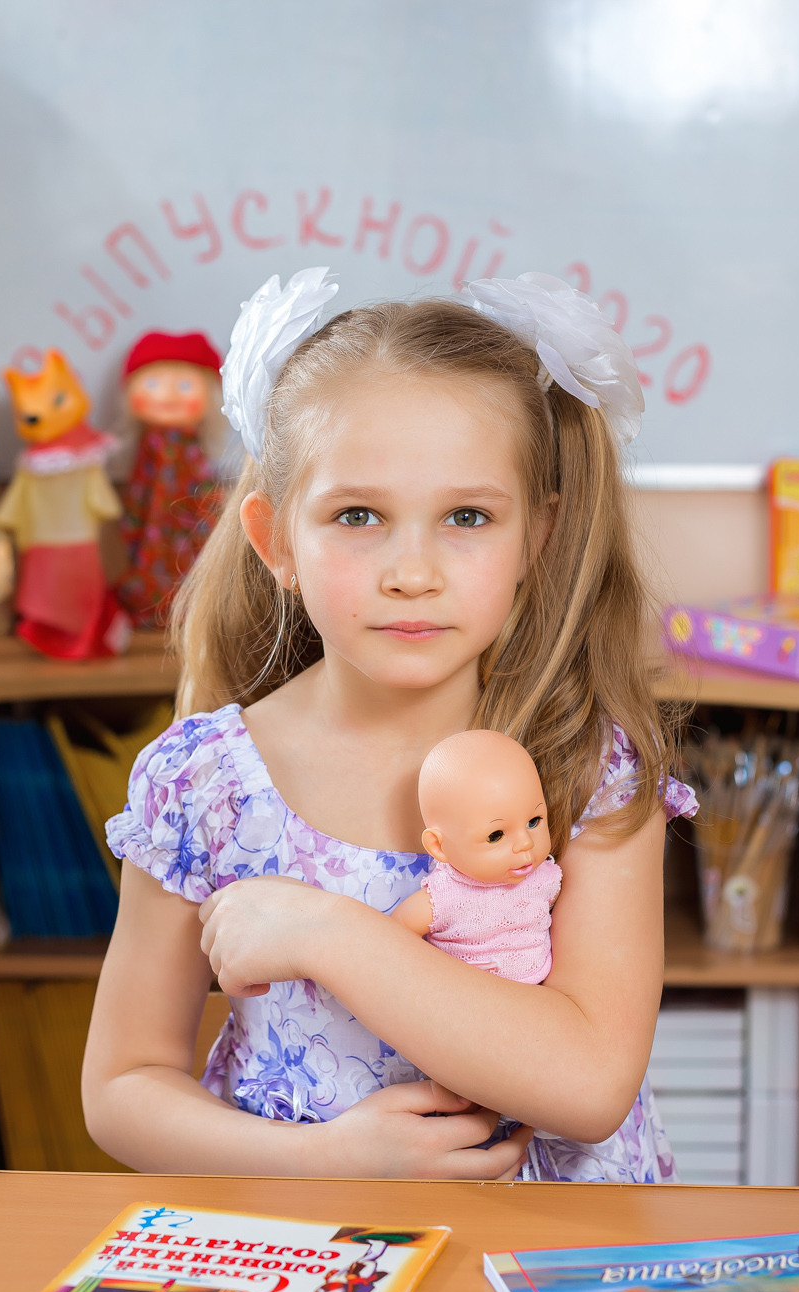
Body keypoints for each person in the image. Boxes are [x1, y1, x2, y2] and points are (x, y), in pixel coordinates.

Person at [85, 268, 695, 1182]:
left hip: (552, 1252)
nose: (413, 572)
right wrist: (326, 1159)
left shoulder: (588, 764)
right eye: (359, 515)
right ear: (277, 541)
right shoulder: (202, 781)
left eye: (467, 516)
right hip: (316, 1242)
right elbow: (123, 1087)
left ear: (535, 538)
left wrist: (328, 933)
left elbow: (589, 1082)